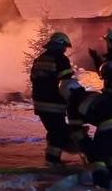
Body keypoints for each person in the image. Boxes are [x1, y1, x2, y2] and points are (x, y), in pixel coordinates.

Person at [62, 79, 112, 189]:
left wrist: (86, 147)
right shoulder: (91, 94)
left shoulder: (72, 104)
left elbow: (77, 131)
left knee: (96, 154)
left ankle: (101, 182)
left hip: (109, 122)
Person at [29, 32, 77, 165]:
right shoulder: (60, 59)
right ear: (61, 45)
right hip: (54, 103)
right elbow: (66, 82)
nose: (65, 50)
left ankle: (51, 158)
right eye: (65, 47)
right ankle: (53, 160)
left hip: (39, 103)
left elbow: (33, 79)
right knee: (58, 132)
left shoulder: (39, 59)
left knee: (54, 130)